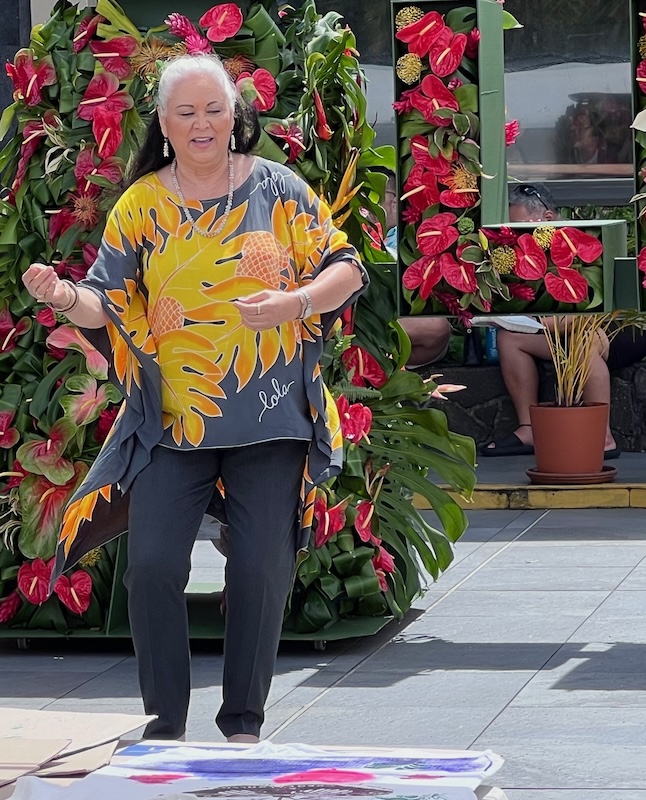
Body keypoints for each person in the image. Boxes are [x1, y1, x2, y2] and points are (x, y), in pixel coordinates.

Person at [21, 54, 367, 743]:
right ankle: (163, 728)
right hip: (172, 420)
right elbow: (104, 299)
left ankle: (242, 723)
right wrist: (62, 296)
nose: (202, 123)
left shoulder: (279, 188)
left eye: (214, 109)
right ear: (164, 123)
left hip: (270, 417)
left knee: (260, 568)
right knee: (149, 566)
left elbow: (348, 268)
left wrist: (295, 301)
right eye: (186, 112)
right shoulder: (142, 204)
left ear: (236, 115)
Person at [479, 183, 646, 458]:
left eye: (520, 226)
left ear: (547, 219)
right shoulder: (520, 256)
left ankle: (602, 436)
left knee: (585, 339)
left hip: (616, 329)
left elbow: (591, 312)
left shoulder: (583, 241)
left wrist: (533, 323)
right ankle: (529, 429)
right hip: (556, 330)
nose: (515, 236)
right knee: (509, 338)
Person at [382, 175, 452, 367]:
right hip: (358, 323)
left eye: (374, 196)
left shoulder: (412, 238)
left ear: (395, 203)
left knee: (435, 327)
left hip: (405, 328)